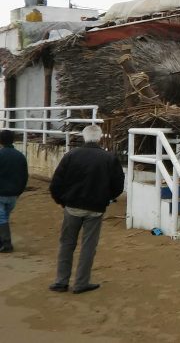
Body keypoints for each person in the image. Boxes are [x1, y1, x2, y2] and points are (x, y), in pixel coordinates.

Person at [49, 125, 124, 294]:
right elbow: (118, 185)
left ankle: (61, 281)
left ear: (84, 137)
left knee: (67, 243)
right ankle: (81, 282)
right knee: (88, 245)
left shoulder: (71, 155)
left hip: (72, 206)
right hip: (96, 208)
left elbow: (56, 183)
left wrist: (61, 201)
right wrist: (107, 198)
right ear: (99, 138)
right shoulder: (109, 158)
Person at [0, 130, 28, 253]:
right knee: (4, 217)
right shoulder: (20, 156)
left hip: (1, 192)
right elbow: (24, 176)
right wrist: (19, 191)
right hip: (14, 194)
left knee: (2, 218)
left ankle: (6, 243)